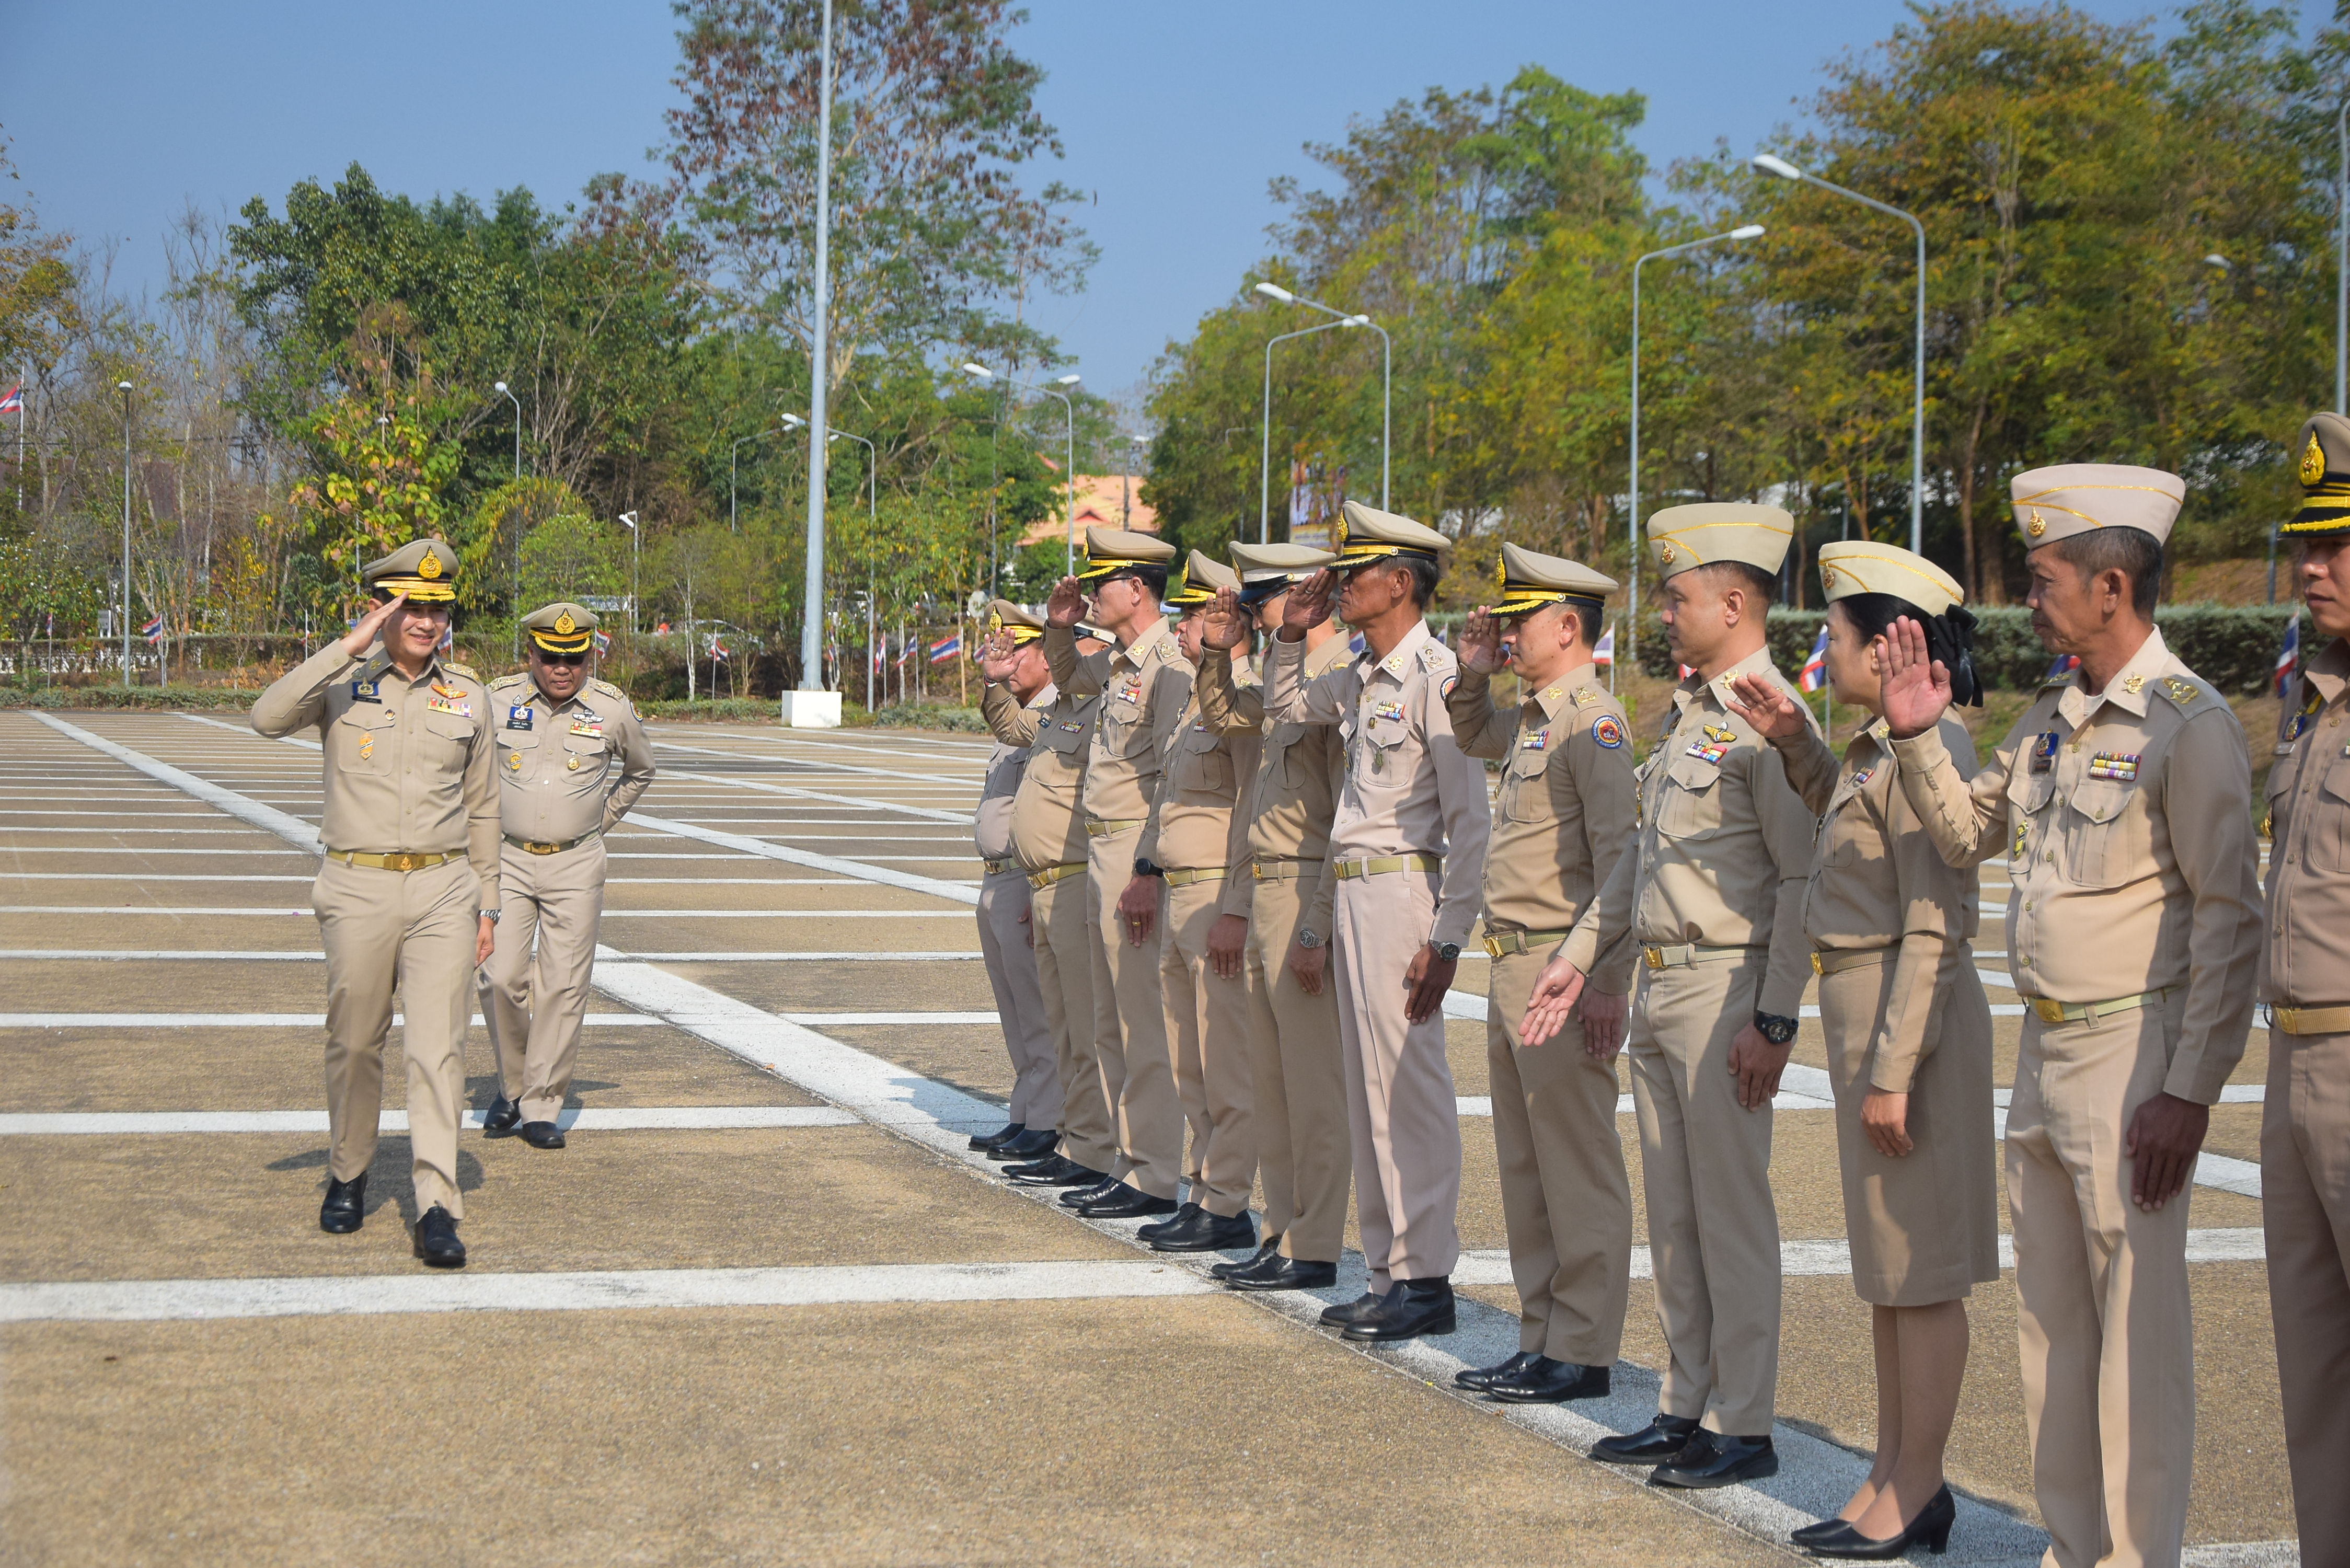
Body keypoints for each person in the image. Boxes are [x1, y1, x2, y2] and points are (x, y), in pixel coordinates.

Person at [1877, 465, 2262, 1568]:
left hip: (2133, 1057)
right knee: (2051, 1330)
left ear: (2110, 586)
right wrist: (1913, 734)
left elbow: (2229, 922)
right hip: (2046, 1051)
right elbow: (1965, 837)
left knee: (2138, 1340)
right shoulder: (2051, 716)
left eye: (2043, 579)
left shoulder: (2186, 728)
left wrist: (2188, 1091)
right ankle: (2073, 1547)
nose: (2027, 598)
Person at [1522, 502, 1816, 1489]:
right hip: (1660, 986)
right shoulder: (1690, 713)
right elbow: (1638, 864)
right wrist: (1577, 956)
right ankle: (1687, 1403)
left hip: (1725, 988)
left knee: (1731, 1216)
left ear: (1734, 602)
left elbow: (1797, 879)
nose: (1665, 612)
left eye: (1681, 596)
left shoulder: (1770, 718)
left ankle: (1745, 1419)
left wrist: (1774, 1018)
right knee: (1678, 1218)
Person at [1725, 543, 1997, 1559]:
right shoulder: (1879, 750)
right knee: (1888, 1271)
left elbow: (1934, 916)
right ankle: (1890, 1475)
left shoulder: (1940, 749)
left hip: (1906, 1028)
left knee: (1921, 1272)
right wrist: (1798, 746)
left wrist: (1893, 1067)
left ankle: (1916, 1488)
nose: (1819, 650)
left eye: (1833, 636)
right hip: (1865, 1016)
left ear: (1890, 645)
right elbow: (1854, 835)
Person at [1264, 500, 1490, 1343]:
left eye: (1355, 575)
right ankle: (1388, 1269)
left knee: (1410, 1090)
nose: (1343, 586)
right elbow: (1283, 706)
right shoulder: (1359, 674)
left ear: (1401, 584)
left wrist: (1450, 938)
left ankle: (1426, 1277)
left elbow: (1471, 822)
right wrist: (1294, 630)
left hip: (1403, 892)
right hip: (1353, 888)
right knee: (1367, 1091)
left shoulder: (1438, 680)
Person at [251, 537, 498, 1269]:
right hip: (357, 884)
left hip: (443, 888)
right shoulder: (341, 683)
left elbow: (484, 810)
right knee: (355, 1040)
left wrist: (488, 908)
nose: (426, 621)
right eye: (409, 606)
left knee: (439, 1047)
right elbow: (265, 718)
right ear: (381, 608)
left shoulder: (469, 697)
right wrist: (346, 646)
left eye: (437, 608)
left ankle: (436, 1206)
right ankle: (350, 1171)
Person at [1444, 544, 1636, 1405]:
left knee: (1576, 1163)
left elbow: (1621, 862)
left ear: (1569, 626)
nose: (1509, 633)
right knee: (1526, 1166)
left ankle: (1585, 1346)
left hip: (1562, 960)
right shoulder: (1532, 717)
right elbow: (1469, 729)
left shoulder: (1592, 722)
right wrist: (1473, 671)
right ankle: (1541, 1335)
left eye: (1520, 622)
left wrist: (1605, 980)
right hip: (1512, 959)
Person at [1195, 541, 1351, 1292]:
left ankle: (1315, 1241)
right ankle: (1282, 1230)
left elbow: (1347, 816)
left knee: (1314, 1085)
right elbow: (1227, 716)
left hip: (1304, 884)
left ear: (1300, 596)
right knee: (1273, 1080)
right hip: (1264, 886)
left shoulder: (1339, 680)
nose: (1251, 618)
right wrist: (1217, 658)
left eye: (1258, 606)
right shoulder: (1289, 678)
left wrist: (1318, 921)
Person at [1043, 527, 1193, 1220]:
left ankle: (1155, 1172)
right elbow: (1068, 679)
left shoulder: (1168, 665)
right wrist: (1059, 629)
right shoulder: (1120, 663)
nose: (1091, 593)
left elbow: (1172, 776)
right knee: (1107, 1019)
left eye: (1100, 584)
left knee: (1141, 1024)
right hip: (1100, 850)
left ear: (1137, 589)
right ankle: (1117, 1159)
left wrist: (1148, 867)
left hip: (1133, 849)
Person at [2262, 411, 2350, 1567]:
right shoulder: (2312, 696)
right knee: (2313, 1372)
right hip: (2291, 1059)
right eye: (2309, 544)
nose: (2314, 565)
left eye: (2339, 545)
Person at [477, 602, 654, 1151]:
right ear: (530, 653)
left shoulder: (610, 708)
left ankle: (540, 1104)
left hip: (576, 862)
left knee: (563, 985)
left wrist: (599, 822)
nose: (562, 669)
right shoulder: (495, 700)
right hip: (505, 858)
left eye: (574, 659)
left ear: (589, 658)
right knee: (498, 977)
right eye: (551, 657)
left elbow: (640, 770)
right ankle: (513, 1085)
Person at [1137, 551, 1262, 1253]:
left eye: (1201, 615)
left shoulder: (1243, 699)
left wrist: (1237, 906)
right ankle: (1202, 1188)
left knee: (1224, 1061)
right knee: (1189, 1057)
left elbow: (1251, 809)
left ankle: (1227, 1201)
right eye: (1188, 615)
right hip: (1182, 891)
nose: (1188, 628)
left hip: (1216, 889)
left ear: (1235, 624)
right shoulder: (1195, 704)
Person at [993, 618, 1122, 1193]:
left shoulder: (1101, 711)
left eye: (1079, 652)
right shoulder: (1060, 710)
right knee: (1064, 1028)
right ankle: (1070, 1138)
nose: (1070, 662)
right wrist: (994, 678)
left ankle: (1090, 1144)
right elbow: (1007, 723)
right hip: (1044, 880)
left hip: (1074, 878)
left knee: (1086, 1028)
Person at [966, 601, 1064, 1164]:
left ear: (1048, 657)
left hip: (1022, 880)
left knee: (1037, 1010)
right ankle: (1026, 1111)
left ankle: (1048, 1121)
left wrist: (1032, 886)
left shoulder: (1051, 715)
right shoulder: (1017, 717)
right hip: (995, 880)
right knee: (1013, 1009)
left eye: (1019, 650)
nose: (1009, 660)